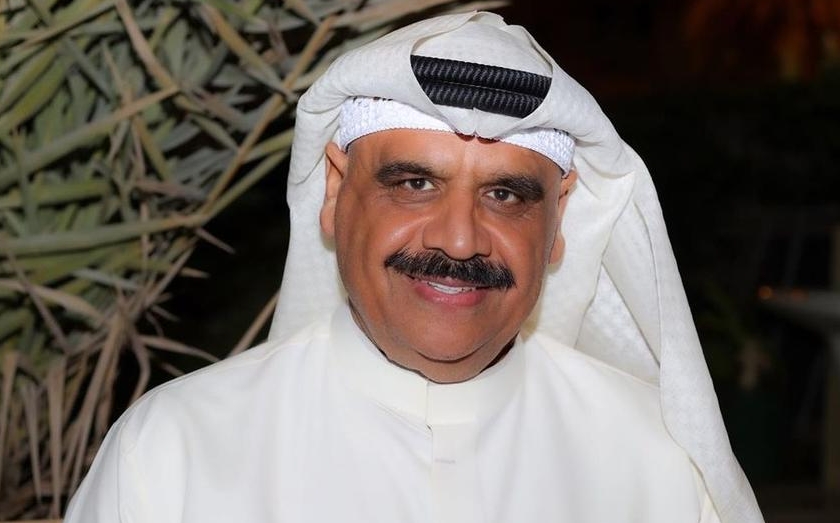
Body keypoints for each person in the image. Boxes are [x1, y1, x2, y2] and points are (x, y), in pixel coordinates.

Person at [65, 11, 765, 523]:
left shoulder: (659, 465)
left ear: (558, 221)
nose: (459, 240)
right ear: (336, 191)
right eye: (415, 183)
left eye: (505, 194)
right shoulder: (172, 454)